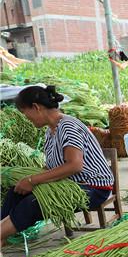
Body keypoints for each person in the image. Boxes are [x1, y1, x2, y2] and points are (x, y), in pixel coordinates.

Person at [1, 86, 114, 244]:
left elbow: (75, 165)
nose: (26, 118)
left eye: (25, 113)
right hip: (71, 183)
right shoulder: (50, 131)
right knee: (17, 191)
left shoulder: (68, 126)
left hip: (93, 188)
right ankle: (3, 236)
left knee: (33, 204)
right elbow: (52, 166)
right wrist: (29, 179)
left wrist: (33, 180)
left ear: (36, 107)